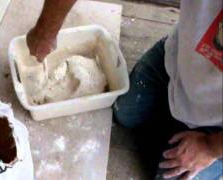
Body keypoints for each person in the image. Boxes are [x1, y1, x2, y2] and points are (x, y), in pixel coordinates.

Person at [26, 0, 223, 179]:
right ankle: (177, 111)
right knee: (124, 112)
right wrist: (46, 31)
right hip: (181, 57)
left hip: (217, 126)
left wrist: (210, 147)